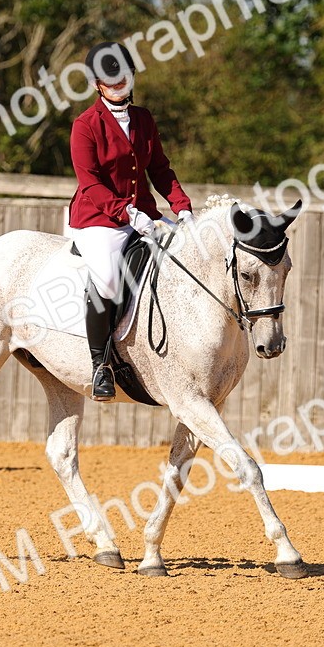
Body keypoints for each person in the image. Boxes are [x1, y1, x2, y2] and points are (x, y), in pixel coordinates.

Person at [69, 41, 194, 401]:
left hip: (144, 216)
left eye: (124, 75)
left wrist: (181, 206)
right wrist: (126, 212)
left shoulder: (143, 119)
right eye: (111, 79)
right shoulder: (85, 126)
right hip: (98, 219)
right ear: (97, 84)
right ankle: (101, 366)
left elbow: (159, 168)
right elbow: (90, 182)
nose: (119, 83)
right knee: (108, 279)